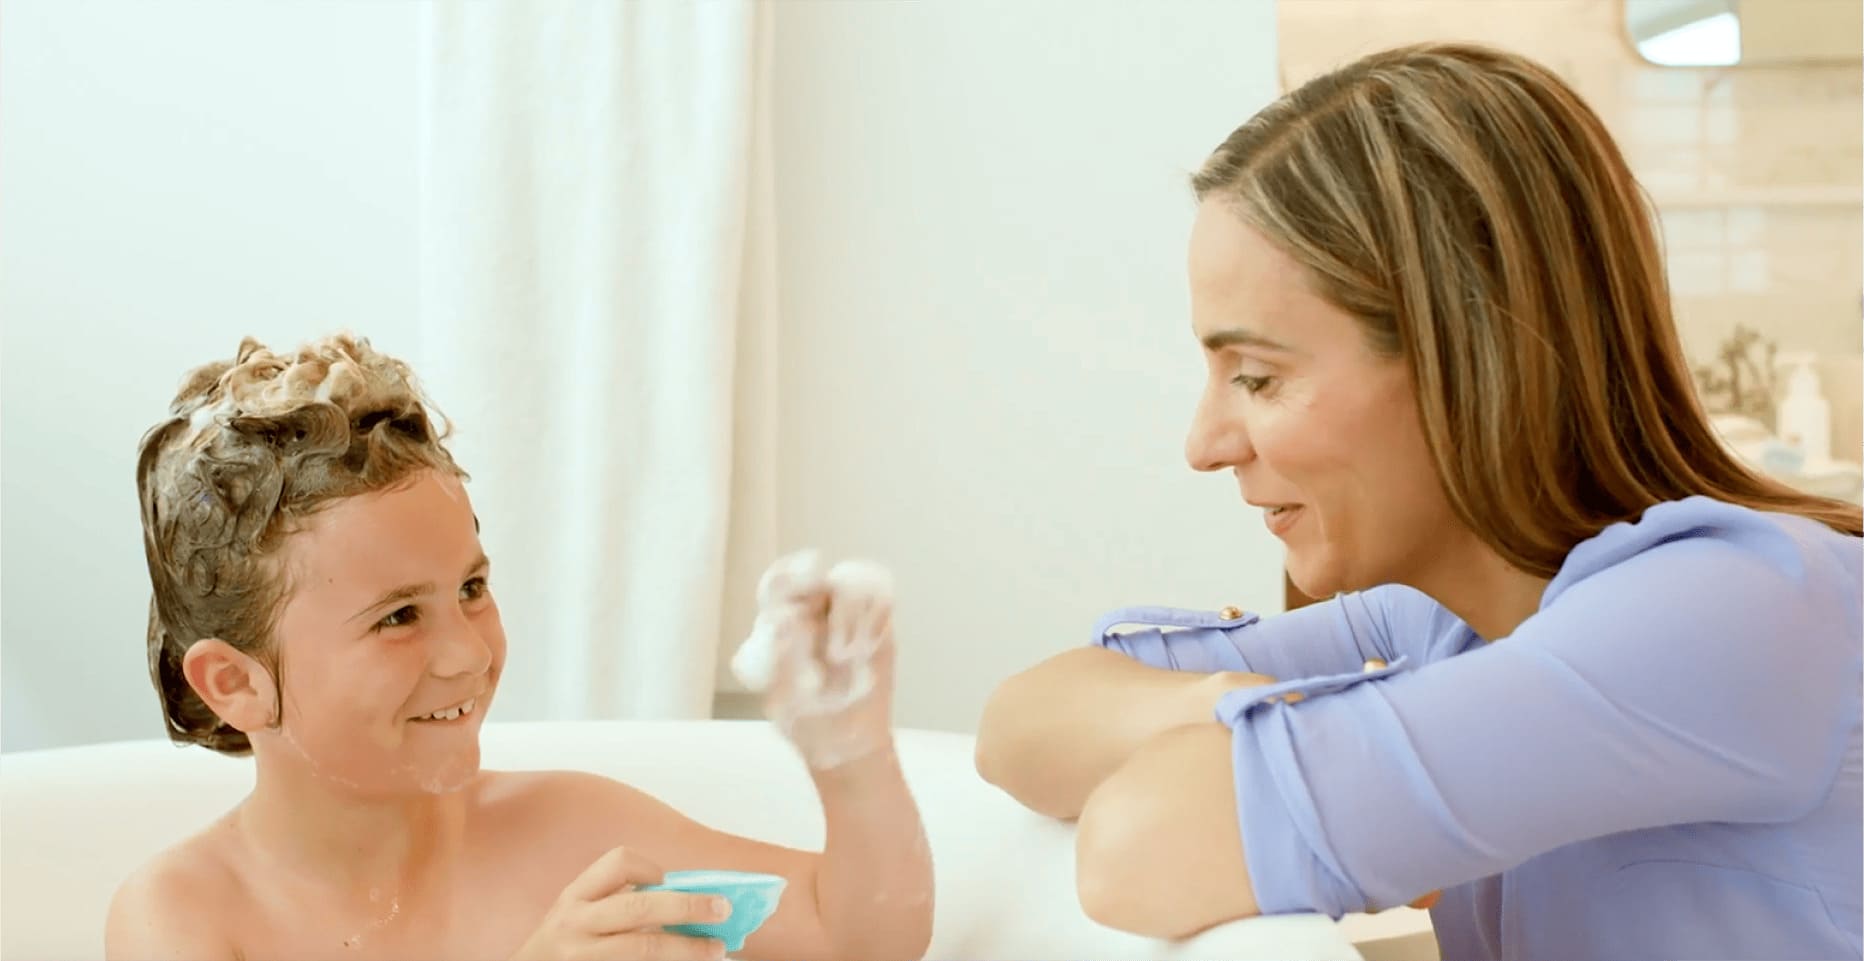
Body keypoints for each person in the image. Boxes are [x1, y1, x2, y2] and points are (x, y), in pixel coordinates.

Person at [975, 41, 1862, 961]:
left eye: (1257, 377)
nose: (1205, 446)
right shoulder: (1440, 623)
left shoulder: (1736, 614)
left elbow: (1136, 845)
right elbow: (1019, 726)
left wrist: (1306, 735)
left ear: (1465, 359)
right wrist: (1247, 703)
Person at [107, 334, 933, 961]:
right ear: (235, 682)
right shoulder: (188, 916)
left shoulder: (568, 831)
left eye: (470, 588)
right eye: (398, 617)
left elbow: (854, 932)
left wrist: (850, 758)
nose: (467, 653)